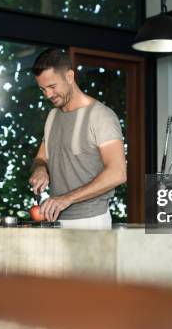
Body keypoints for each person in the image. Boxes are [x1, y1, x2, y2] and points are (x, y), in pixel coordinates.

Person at [28, 49, 126, 229]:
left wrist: (67, 199)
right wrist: (41, 169)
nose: (48, 95)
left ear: (70, 76)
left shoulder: (100, 116)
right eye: (43, 89)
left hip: (91, 221)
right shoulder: (52, 116)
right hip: (56, 220)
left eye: (52, 86)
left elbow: (118, 173)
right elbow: (41, 158)